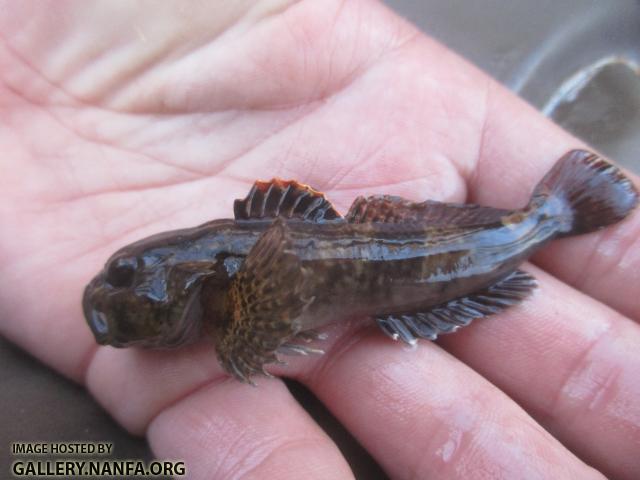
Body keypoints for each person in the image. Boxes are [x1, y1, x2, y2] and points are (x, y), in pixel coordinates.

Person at [1, 2, 638, 479]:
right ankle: (543, 219)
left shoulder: (241, 285)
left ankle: (549, 216)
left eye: (125, 274)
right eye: (124, 285)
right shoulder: (229, 267)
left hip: (432, 259)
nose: (116, 291)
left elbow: (261, 301)